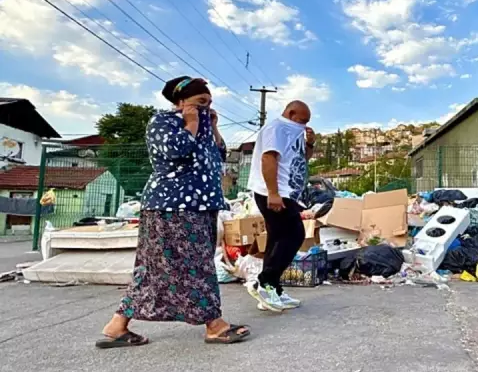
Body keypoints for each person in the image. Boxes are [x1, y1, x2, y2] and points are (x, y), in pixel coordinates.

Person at [96, 76, 250, 348]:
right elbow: (176, 150)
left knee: (162, 268)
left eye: (210, 103)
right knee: (194, 266)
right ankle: (214, 325)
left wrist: (212, 127)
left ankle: (117, 325)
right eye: (200, 102)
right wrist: (191, 123)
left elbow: (219, 154)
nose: (206, 108)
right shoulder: (162, 122)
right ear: (180, 102)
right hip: (172, 206)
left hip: (199, 206)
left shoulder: (203, 124)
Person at [245, 101, 314, 312]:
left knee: (276, 239)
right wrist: (273, 193)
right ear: (291, 113)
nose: (303, 125)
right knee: (294, 235)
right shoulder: (276, 128)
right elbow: (269, 158)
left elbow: (301, 160)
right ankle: (264, 283)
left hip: (287, 192)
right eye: (302, 120)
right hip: (275, 193)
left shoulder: (293, 132)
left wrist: (310, 144)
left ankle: (272, 290)